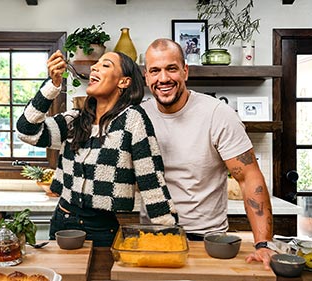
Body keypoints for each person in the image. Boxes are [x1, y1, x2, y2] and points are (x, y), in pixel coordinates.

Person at [17, 50, 178, 247]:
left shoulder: (132, 119)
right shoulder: (75, 120)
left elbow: (151, 180)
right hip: (62, 222)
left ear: (124, 82)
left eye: (106, 65)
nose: (94, 67)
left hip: (101, 229)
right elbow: (26, 131)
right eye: (96, 64)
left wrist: (170, 236)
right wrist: (53, 85)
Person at [141, 38, 275, 268]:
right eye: (155, 71)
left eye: (171, 69)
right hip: (152, 237)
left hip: (206, 239)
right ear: (146, 76)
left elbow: (249, 177)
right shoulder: (138, 116)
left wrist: (263, 244)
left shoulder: (217, 114)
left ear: (185, 71)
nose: (163, 78)